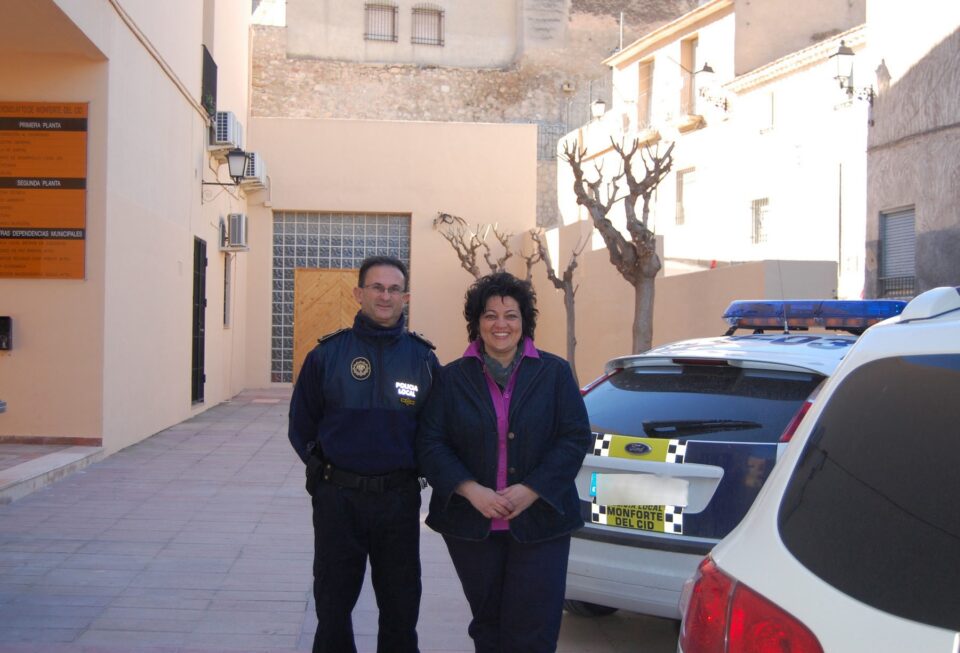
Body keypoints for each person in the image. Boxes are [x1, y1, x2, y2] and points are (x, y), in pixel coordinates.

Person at [416, 271, 591, 653]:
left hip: (542, 521)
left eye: (511, 315)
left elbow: (574, 437)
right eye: (490, 315)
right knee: (488, 627)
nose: (501, 324)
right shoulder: (450, 379)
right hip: (471, 525)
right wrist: (470, 490)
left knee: (533, 629)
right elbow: (430, 443)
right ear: (476, 322)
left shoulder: (555, 373)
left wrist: (532, 489)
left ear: (524, 321)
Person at [289, 255, 440, 653]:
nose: (385, 296)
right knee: (333, 607)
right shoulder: (327, 355)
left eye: (394, 289)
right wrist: (323, 475)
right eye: (376, 287)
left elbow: (435, 430)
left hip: (398, 501)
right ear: (358, 293)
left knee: (401, 609)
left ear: (405, 297)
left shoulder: (423, 359)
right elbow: (301, 424)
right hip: (338, 501)